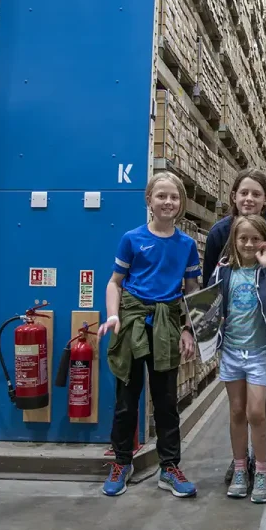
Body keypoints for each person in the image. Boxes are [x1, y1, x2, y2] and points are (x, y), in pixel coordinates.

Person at [202, 168, 266, 486]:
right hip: (234, 336)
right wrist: (205, 335)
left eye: (256, 194)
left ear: (265, 200)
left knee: (258, 407)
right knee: (237, 408)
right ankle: (240, 460)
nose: (248, 198)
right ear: (233, 196)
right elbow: (209, 289)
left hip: (262, 332)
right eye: (243, 192)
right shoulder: (221, 232)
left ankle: (262, 460)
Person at [98, 172, 200, 498]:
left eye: (174, 197)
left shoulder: (186, 245)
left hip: (167, 322)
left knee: (167, 400)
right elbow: (115, 282)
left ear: (181, 203)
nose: (168, 202)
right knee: (127, 399)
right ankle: (122, 461)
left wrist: (189, 328)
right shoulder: (132, 238)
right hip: (131, 320)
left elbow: (193, 290)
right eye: (161, 196)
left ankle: (169, 467)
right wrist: (113, 315)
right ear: (149, 200)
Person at [208, 214, 266, 504]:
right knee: (236, 412)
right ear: (234, 240)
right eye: (243, 238)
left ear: (264, 242)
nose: (248, 243)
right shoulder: (223, 271)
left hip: (259, 353)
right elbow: (209, 305)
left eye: (255, 238)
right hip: (231, 351)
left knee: (257, 412)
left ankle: (263, 469)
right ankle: (240, 467)